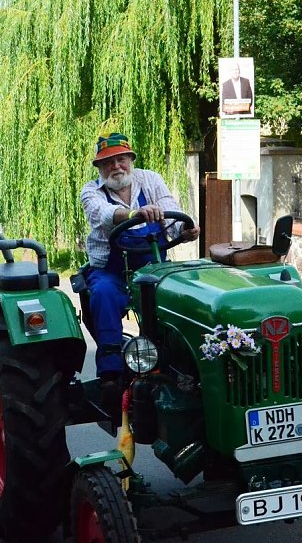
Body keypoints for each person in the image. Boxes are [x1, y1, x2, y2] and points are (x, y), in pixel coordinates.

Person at [81, 132, 200, 411]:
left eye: (121, 159)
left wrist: (186, 230)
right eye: (108, 163)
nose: (116, 167)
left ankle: (187, 364)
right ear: (99, 168)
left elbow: (170, 210)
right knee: (103, 294)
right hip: (111, 270)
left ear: (131, 160)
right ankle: (110, 375)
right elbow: (101, 215)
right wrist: (133, 215)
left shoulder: (151, 180)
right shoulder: (91, 192)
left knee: (184, 294)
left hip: (154, 267)